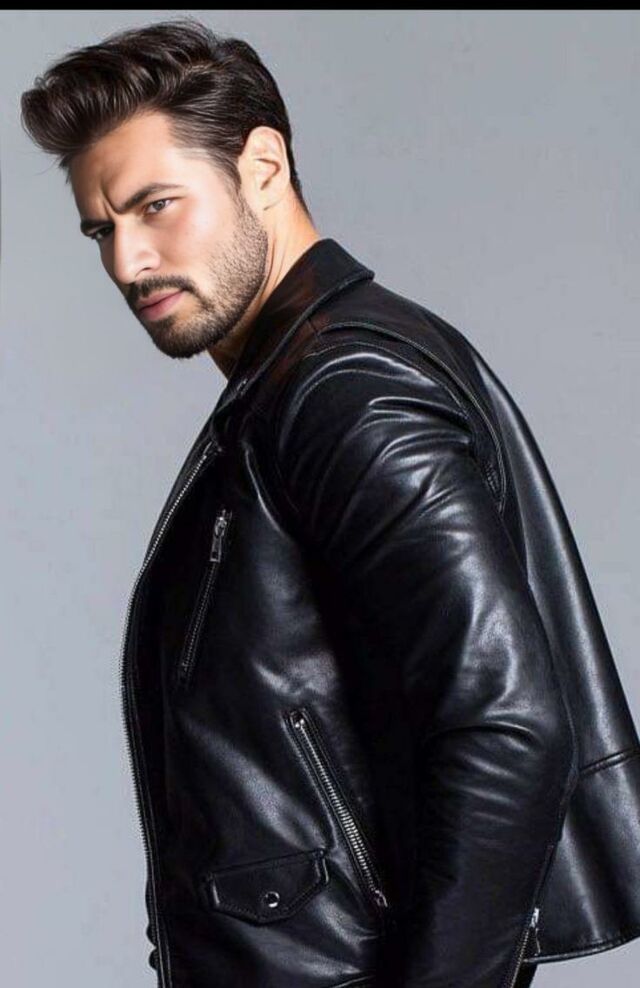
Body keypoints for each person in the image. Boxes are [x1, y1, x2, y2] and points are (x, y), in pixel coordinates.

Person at [20, 17, 640, 988]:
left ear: (262, 167)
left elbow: (510, 724)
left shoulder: (344, 390)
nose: (128, 262)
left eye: (155, 206)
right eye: (104, 229)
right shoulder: (284, 390)